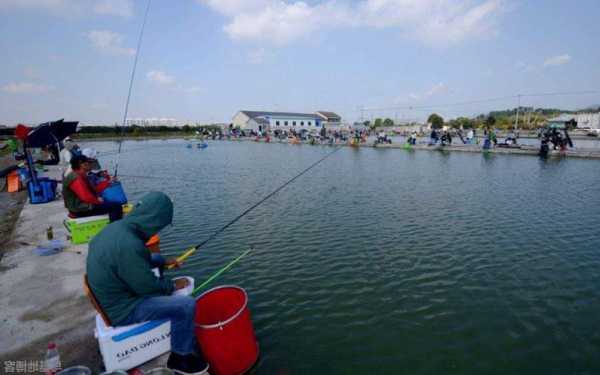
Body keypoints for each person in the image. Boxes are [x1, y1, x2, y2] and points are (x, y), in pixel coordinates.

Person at [86, 192, 208, 375]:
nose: (157, 231)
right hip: (124, 309)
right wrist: (173, 286)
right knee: (186, 305)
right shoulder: (129, 244)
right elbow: (147, 288)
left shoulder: (118, 228)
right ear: (154, 220)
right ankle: (180, 358)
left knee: (160, 273)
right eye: (159, 226)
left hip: (112, 296)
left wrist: (162, 261)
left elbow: (134, 259)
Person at [63, 155, 123, 222]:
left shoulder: (81, 175)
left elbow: (94, 190)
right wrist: (98, 201)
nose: (91, 164)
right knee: (116, 207)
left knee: (111, 203)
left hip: (81, 206)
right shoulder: (77, 179)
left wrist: (109, 182)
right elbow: (86, 197)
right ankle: (113, 229)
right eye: (89, 162)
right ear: (81, 164)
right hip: (79, 210)